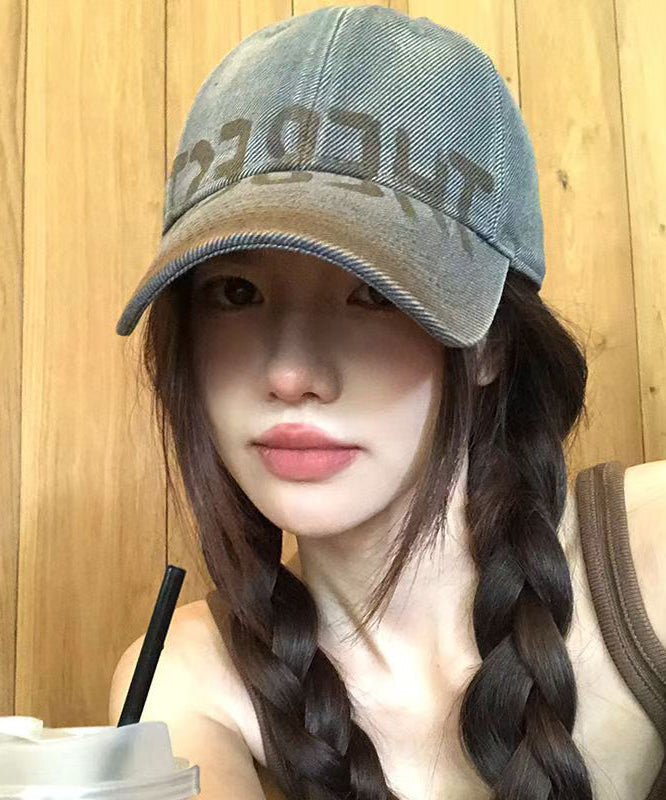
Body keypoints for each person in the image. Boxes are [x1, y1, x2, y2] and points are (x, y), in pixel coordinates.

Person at [109, 6, 666, 799]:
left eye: (373, 293)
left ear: (491, 344)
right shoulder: (185, 676)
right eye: (236, 292)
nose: (291, 374)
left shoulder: (653, 548)